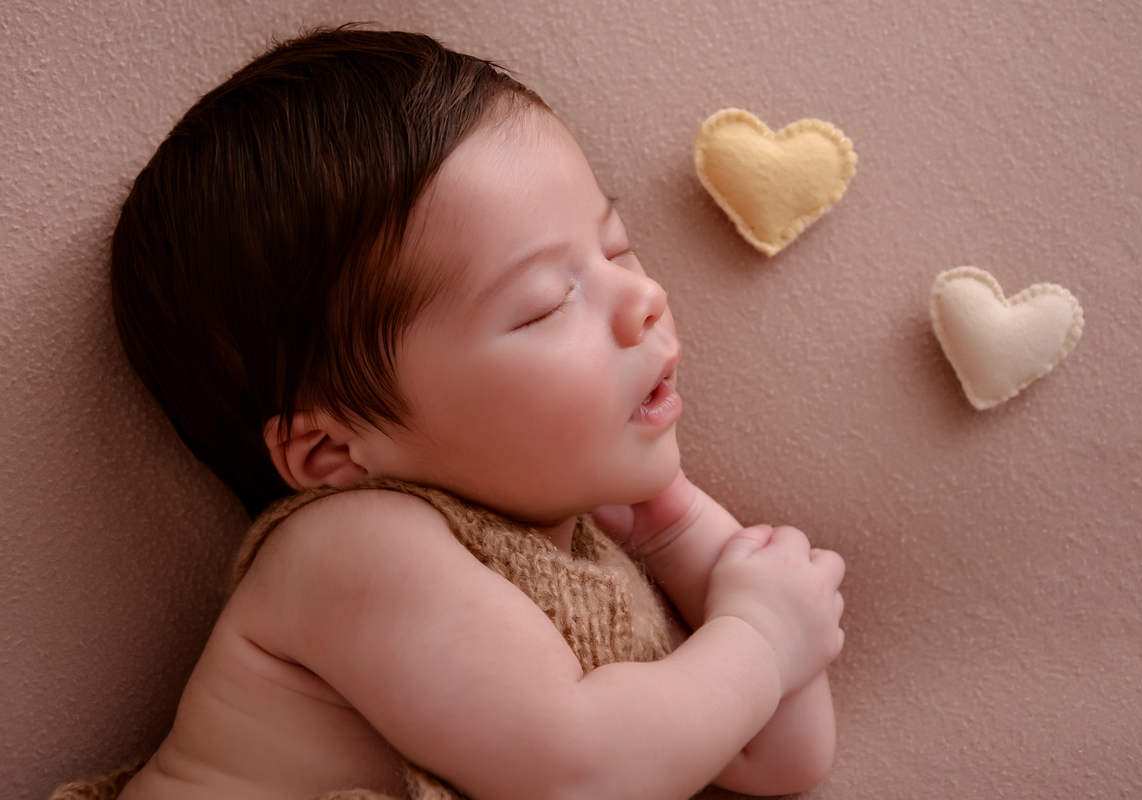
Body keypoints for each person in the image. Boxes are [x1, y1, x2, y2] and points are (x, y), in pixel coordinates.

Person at [102, 26, 845, 800]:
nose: (644, 299)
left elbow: (776, 762)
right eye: (547, 303)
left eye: (616, 248)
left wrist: (687, 539)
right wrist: (760, 637)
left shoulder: (586, 557)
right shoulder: (350, 548)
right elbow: (582, 778)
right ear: (332, 453)